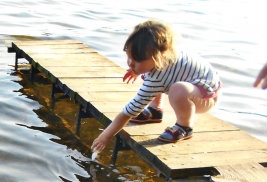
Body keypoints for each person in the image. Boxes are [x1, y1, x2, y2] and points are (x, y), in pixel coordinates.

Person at [92, 20, 221, 152]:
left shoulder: (158, 75)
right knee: (156, 77)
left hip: (207, 97)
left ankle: (185, 127)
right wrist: (136, 68)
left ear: (159, 57)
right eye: (129, 57)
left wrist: (105, 136)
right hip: (198, 86)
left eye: (136, 60)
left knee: (177, 89)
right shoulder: (163, 55)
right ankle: (155, 110)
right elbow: (155, 73)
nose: (130, 64)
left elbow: (128, 112)